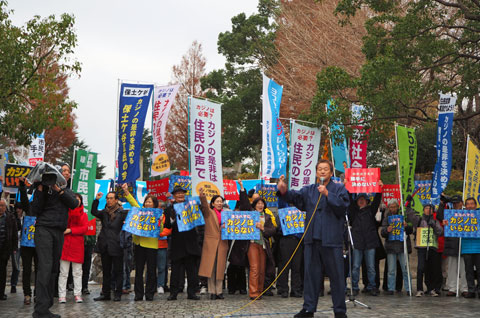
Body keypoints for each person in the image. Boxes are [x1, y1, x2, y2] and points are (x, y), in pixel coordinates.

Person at [277, 159, 350, 318]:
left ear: (331, 172)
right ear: (316, 172)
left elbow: (343, 208)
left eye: (326, 169)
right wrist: (283, 191)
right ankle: (308, 308)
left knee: (337, 277)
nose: (322, 172)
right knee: (311, 276)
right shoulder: (309, 190)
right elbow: (295, 198)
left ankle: (339, 310)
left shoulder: (339, 189)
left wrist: (327, 194)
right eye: (320, 169)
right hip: (312, 239)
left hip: (331, 240)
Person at [32, 172, 79, 318]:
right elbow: (34, 210)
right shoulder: (42, 190)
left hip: (59, 232)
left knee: (53, 269)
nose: (64, 173)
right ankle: (40, 309)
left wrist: (57, 189)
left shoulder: (67, 192)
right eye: (61, 171)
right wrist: (40, 188)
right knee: (45, 267)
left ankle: (46, 306)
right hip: (44, 229)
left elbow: (75, 204)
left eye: (66, 172)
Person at [122, 183, 163, 301]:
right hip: (139, 244)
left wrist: (160, 221)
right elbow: (133, 203)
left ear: (154, 204)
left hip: (152, 245)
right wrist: (126, 191)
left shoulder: (158, 214)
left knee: (151, 270)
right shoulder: (141, 212)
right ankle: (138, 294)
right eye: (146, 202)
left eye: (150, 202)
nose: (148, 203)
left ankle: (150, 293)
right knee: (138, 270)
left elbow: (159, 231)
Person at [164, 186, 201, 301]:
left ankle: (192, 293)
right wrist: (172, 219)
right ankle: (173, 293)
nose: (180, 195)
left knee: (192, 272)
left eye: (182, 193)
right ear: (173, 196)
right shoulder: (169, 209)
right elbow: (167, 227)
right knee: (175, 272)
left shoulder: (191, 207)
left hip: (191, 243)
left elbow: (198, 219)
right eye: (177, 193)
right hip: (177, 244)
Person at [91, 191, 127, 302]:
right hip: (105, 245)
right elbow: (93, 212)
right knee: (106, 271)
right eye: (107, 198)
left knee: (118, 271)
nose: (109, 200)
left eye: (111, 198)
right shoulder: (104, 213)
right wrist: (96, 200)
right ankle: (105, 293)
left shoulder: (121, 213)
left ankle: (118, 293)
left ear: (116, 200)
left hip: (116, 245)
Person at [348, 184, 383, 297]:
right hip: (357, 243)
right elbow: (348, 200)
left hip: (370, 243)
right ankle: (355, 287)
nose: (361, 201)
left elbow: (377, 201)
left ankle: (372, 287)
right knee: (356, 267)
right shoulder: (353, 213)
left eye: (364, 199)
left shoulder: (371, 211)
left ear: (367, 201)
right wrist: (347, 188)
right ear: (356, 201)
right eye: (359, 199)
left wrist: (379, 189)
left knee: (371, 267)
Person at [198, 187, 229, 299]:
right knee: (211, 268)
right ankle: (212, 291)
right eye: (217, 201)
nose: (220, 203)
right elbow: (204, 206)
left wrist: (226, 227)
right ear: (213, 203)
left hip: (222, 243)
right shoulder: (209, 213)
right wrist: (202, 195)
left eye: (221, 201)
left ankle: (219, 291)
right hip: (211, 243)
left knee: (220, 268)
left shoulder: (227, 213)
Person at [58, 193, 88, 303]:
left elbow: (84, 228)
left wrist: (71, 230)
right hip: (65, 244)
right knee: (63, 272)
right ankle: (62, 295)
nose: (77, 201)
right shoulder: (65, 212)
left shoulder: (83, 215)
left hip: (77, 245)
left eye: (78, 199)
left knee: (77, 272)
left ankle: (77, 294)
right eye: (74, 199)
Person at [437, 194, 468, 296]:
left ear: (462, 203)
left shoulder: (467, 213)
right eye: (454, 203)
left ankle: (465, 288)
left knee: (464, 268)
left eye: (457, 203)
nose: (456, 205)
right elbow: (439, 216)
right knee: (451, 267)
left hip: (464, 243)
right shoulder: (449, 213)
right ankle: (452, 288)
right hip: (451, 242)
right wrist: (443, 203)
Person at [380, 199, 413, 295]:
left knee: (405, 269)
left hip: (403, 246)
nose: (393, 209)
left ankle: (408, 288)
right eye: (391, 207)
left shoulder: (404, 216)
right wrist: (387, 230)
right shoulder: (387, 218)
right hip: (391, 247)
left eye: (394, 207)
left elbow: (411, 229)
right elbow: (383, 233)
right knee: (391, 270)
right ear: (389, 208)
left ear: (398, 207)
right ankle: (391, 288)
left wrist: (406, 226)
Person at [411, 203, 443, 297]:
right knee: (421, 268)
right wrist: (408, 205)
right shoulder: (419, 220)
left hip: (432, 247)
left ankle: (431, 288)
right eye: (426, 208)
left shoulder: (435, 221)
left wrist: (433, 225)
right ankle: (419, 289)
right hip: (422, 247)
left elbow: (440, 232)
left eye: (430, 208)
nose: (428, 210)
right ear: (423, 210)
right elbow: (410, 216)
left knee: (432, 268)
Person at [452, 197, 479, 298]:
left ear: (475, 205)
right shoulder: (461, 216)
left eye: (472, 204)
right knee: (468, 271)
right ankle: (471, 290)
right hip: (466, 247)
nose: (470, 206)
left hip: (478, 247)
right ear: (465, 205)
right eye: (468, 204)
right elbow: (453, 225)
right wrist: (448, 223)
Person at [18, 178, 38, 305]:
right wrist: (21, 184)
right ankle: (27, 294)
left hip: (39, 243)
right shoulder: (28, 206)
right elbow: (24, 197)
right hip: (26, 243)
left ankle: (37, 293)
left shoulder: (44, 209)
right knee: (26, 269)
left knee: (39, 269)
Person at [0, 199, 18, 300]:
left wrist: (14, 247)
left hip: (4, 248)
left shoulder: (10, 218)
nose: (1, 208)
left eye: (2, 206)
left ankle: (1, 292)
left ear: (5, 207)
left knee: (2, 271)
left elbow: (14, 233)